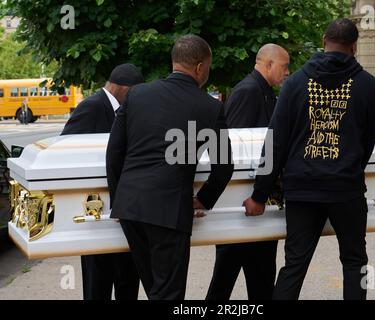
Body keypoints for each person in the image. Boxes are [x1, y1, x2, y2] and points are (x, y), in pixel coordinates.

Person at [243, 18, 375, 300]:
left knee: (294, 264)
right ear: (354, 47)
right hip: (346, 189)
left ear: (323, 40)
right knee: (356, 263)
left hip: (302, 188)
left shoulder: (294, 83)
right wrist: (352, 167)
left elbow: (276, 141)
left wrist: (260, 194)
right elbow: (367, 141)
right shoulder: (369, 87)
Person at [106, 34, 234, 300]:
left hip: (130, 207)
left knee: (156, 288)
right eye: (208, 66)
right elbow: (223, 166)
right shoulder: (210, 107)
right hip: (169, 211)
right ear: (200, 67)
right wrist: (203, 199)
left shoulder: (137, 94)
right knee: (168, 294)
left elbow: (114, 152)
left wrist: (118, 198)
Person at [206, 44, 290, 300]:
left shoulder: (262, 92)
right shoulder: (249, 92)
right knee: (226, 278)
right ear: (268, 64)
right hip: (243, 203)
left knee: (259, 278)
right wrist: (256, 195)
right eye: (285, 66)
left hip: (253, 200)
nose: (288, 72)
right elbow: (236, 147)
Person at [61, 63, 144, 300]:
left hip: (122, 209)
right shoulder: (92, 107)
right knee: (98, 284)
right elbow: (66, 149)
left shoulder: (120, 109)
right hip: (96, 209)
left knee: (127, 280)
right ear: (123, 89)